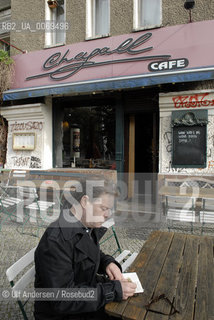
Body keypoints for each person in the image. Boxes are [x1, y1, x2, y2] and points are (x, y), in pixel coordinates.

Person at [34, 177, 136, 320]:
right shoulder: (56, 241)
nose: (108, 215)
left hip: (84, 299)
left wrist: (107, 263)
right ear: (85, 201)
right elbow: (62, 299)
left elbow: (86, 253)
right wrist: (112, 290)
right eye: (104, 208)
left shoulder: (84, 224)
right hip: (63, 314)